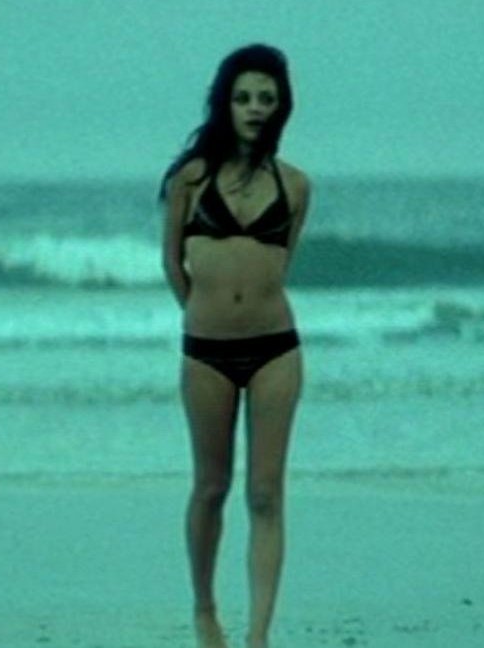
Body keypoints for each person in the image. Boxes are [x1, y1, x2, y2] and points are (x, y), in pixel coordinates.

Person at [158, 43, 311, 648]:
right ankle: (204, 611)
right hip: (206, 353)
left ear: (280, 107)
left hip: (277, 349)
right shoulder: (191, 179)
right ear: (226, 102)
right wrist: (203, 315)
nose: (254, 108)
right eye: (244, 97)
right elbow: (172, 263)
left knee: (266, 494)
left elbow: (280, 264)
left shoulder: (296, 185)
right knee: (211, 487)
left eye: (266, 99)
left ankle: (258, 635)